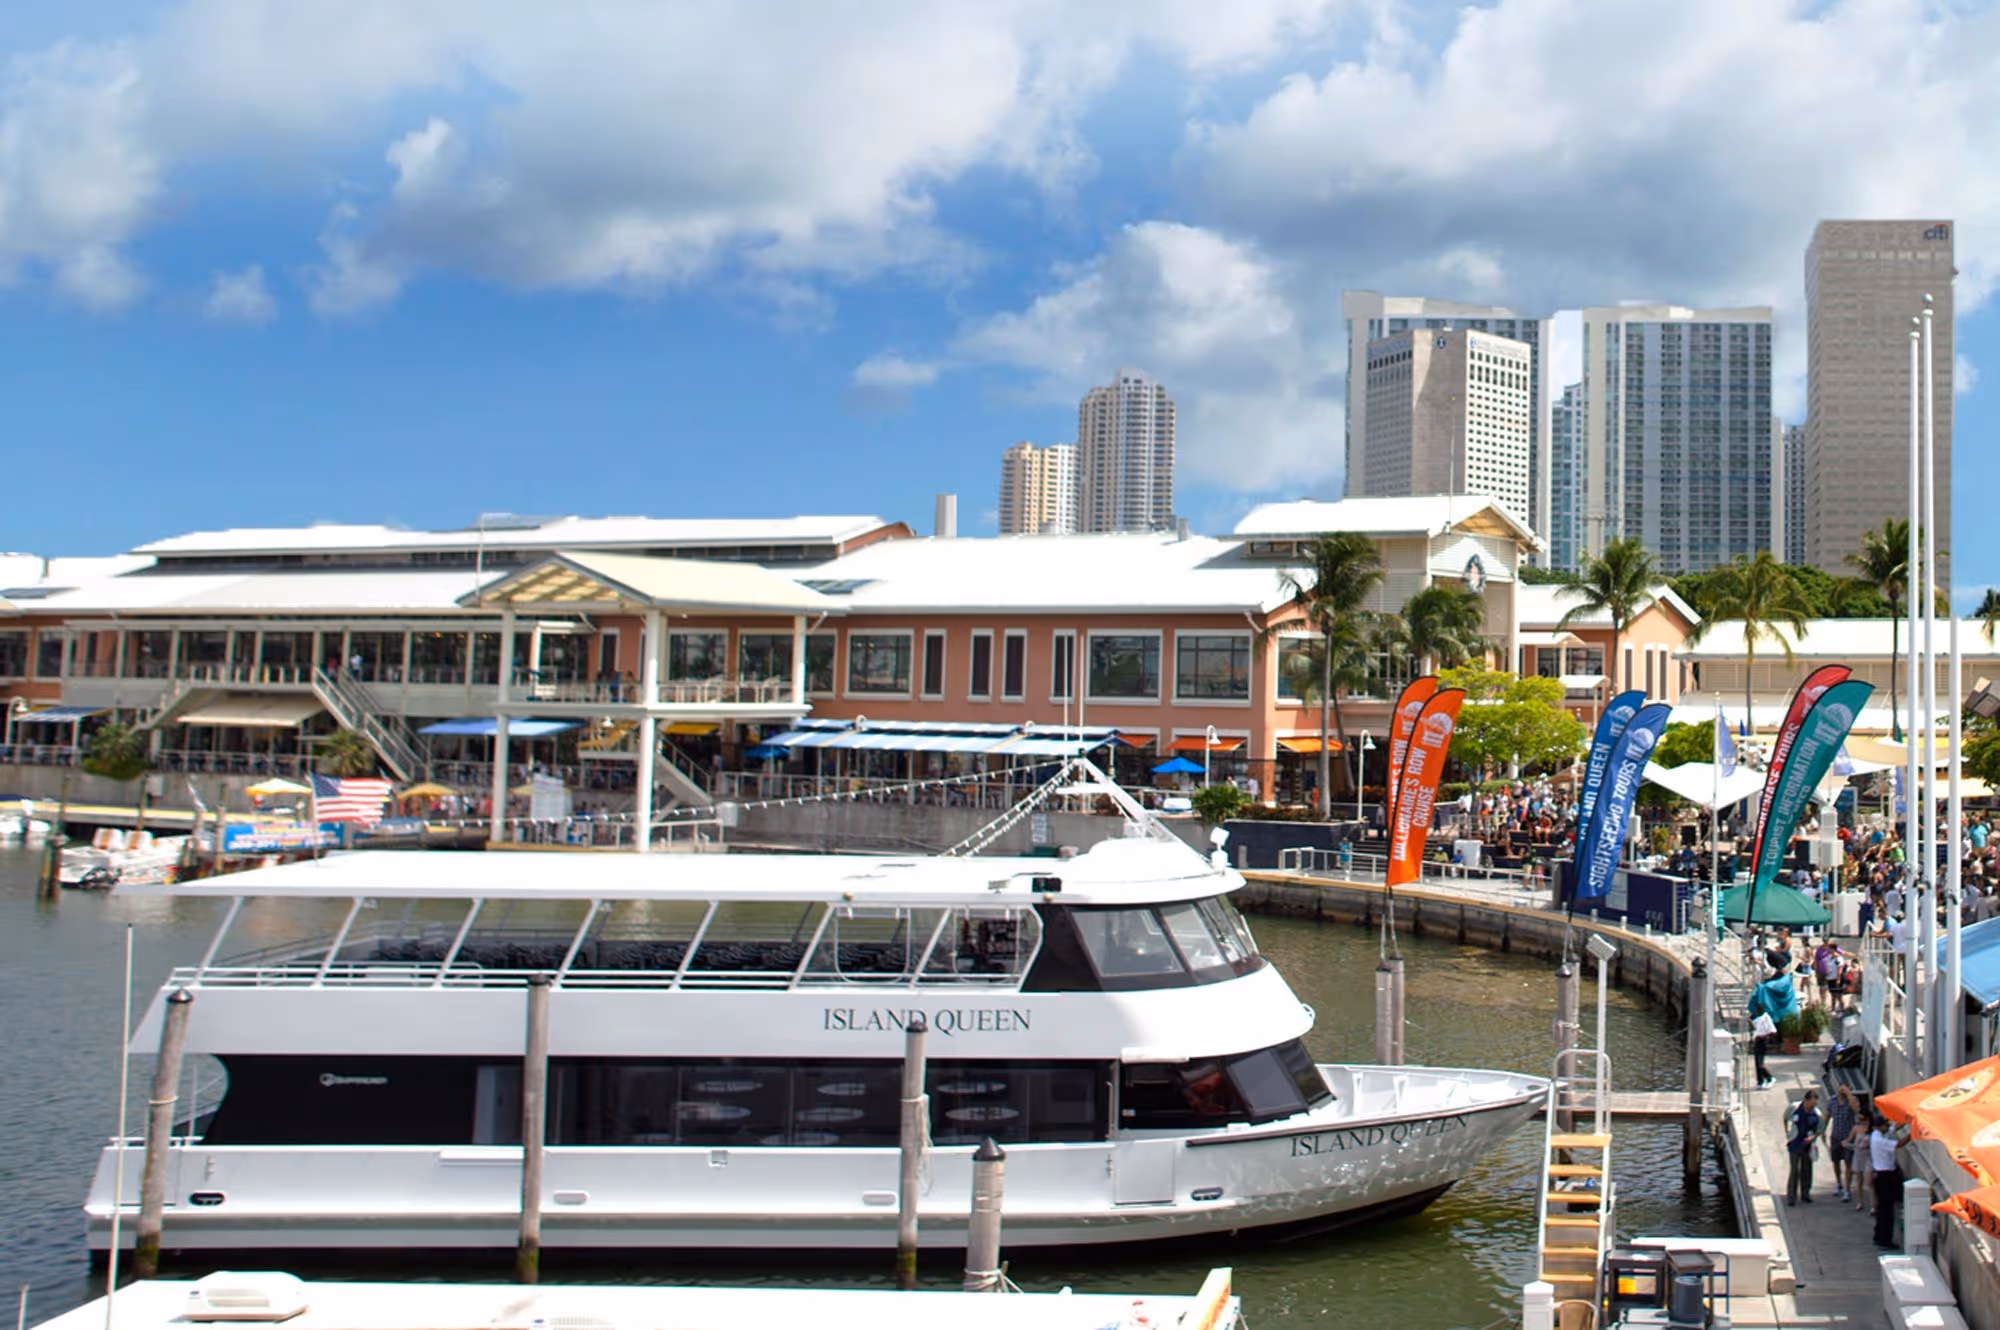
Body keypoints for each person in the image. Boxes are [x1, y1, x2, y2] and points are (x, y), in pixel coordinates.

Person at [1747, 958, 1799, 1088]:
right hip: (1758, 1039)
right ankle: (1760, 1081)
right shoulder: (1759, 1017)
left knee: (1760, 1063)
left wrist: (1765, 1035)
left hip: (1761, 1040)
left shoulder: (1765, 1017)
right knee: (1757, 1062)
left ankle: (1769, 1078)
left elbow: (1771, 1030)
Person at [1870, 1112, 1906, 1247]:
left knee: (1883, 1208)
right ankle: (1885, 1239)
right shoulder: (1879, 1140)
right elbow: (1900, 1144)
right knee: (1886, 1210)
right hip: (1884, 1176)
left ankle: (1879, 1235)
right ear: (1878, 1127)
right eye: (1885, 1125)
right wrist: (1913, 1134)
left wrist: (1908, 1120)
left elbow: (1894, 1127)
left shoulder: (1880, 1133)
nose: (1887, 1127)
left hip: (1885, 1175)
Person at [1786, 1089, 1824, 1204]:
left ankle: (1805, 1194)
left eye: (1814, 1104)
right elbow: (1785, 1118)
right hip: (1795, 1143)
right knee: (1794, 1170)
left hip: (1808, 1145)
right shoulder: (1794, 1108)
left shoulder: (1817, 1114)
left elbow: (1820, 1129)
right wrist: (1788, 1133)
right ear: (1805, 1100)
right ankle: (1791, 1196)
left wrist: (1813, 1138)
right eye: (1811, 1103)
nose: (1812, 1106)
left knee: (1807, 1170)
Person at [1827, 1084, 1860, 1202]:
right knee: (1835, 1161)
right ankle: (1838, 1183)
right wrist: (1822, 1130)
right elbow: (1827, 1115)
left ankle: (1847, 1189)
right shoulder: (1832, 1101)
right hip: (1836, 1136)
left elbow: (1856, 1110)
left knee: (1848, 1163)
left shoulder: (1852, 1100)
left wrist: (1849, 1095)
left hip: (1848, 1137)